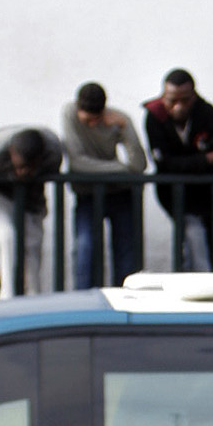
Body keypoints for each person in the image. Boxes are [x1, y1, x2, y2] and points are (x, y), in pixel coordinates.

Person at [142, 69, 213, 271]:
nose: (178, 107)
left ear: (193, 96)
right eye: (171, 100)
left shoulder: (206, 112)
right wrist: (207, 159)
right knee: (195, 246)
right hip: (180, 197)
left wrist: (188, 162)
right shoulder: (155, 116)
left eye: (184, 100)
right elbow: (165, 163)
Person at [61, 81, 147, 288]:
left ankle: (127, 301)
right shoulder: (69, 114)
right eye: (88, 120)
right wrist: (120, 168)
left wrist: (125, 128)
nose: (92, 124)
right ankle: (84, 303)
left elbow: (138, 164)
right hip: (88, 194)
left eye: (96, 120)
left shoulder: (119, 119)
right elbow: (77, 162)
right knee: (85, 249)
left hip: (121, 193)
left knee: (126, 253)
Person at [0, 126, 63, 298]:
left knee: (32, 244)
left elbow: (52, 170)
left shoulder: (52, 150)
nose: (22, 172)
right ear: (11, 152)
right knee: (4, 235)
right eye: (20, 166)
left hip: (31, 198)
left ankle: (31, 300)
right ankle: (6, 297)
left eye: (29, 167)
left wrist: (30, 179)